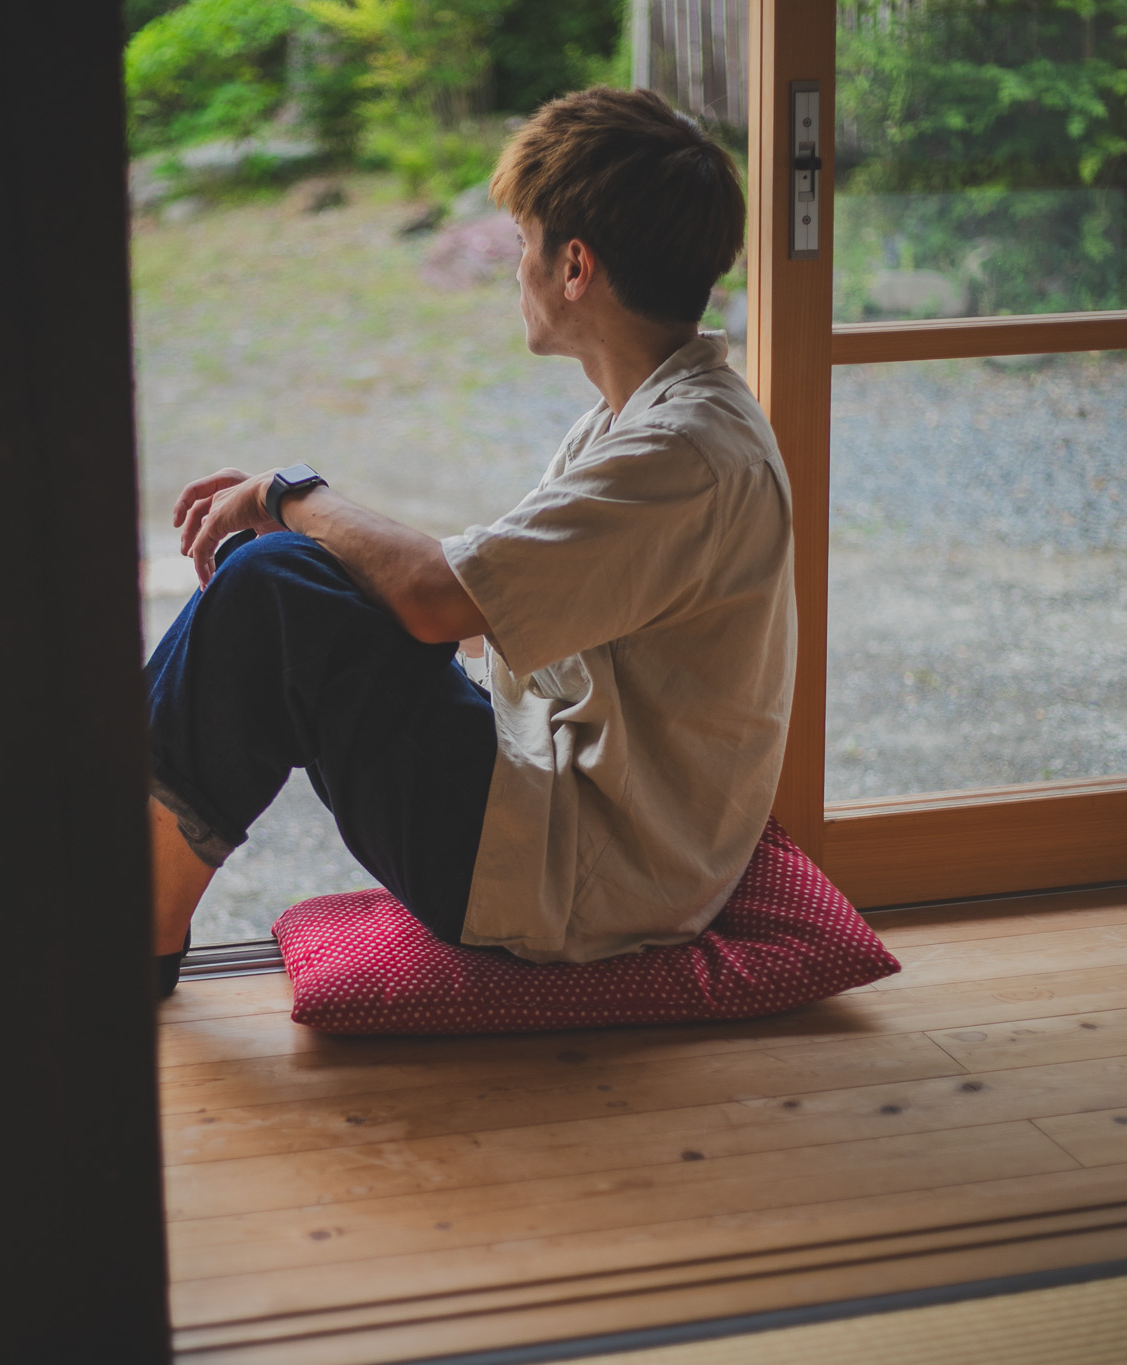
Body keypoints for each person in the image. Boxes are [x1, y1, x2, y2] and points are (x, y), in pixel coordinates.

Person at [146, 86, 794, 997]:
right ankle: (122, 870)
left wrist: (286, 494)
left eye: (524, 246)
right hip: (552, 801)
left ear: (575, 267)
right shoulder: (643, 417)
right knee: (284, 576)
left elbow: (440, 601)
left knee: (275, 582)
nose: (514, 271)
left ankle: (132, 913)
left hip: (580, 876)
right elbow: (479, 613)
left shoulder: (680, 452)